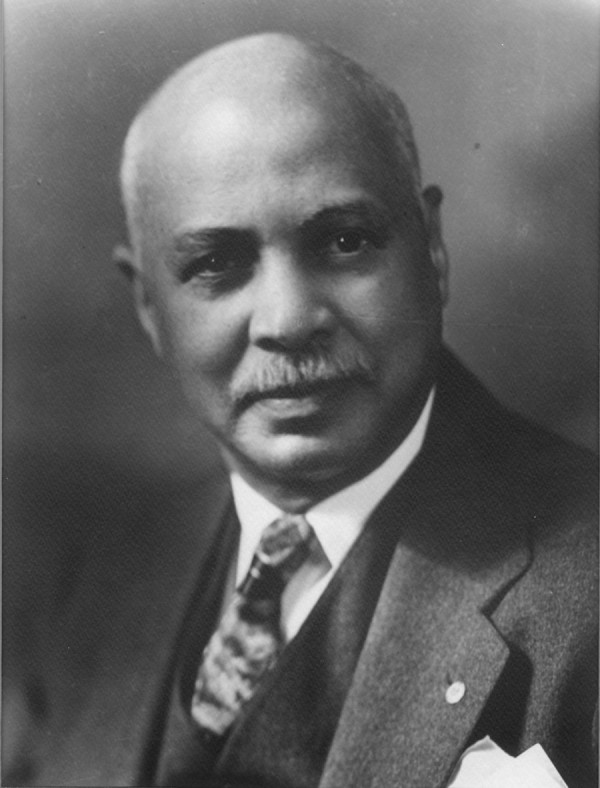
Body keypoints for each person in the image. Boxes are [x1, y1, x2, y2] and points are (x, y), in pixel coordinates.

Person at [3, 32, 597, 788]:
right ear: (148, 306)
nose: (287, 320)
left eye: (345, 241)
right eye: (217, 264)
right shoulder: (97, 593)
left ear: (432, 249)